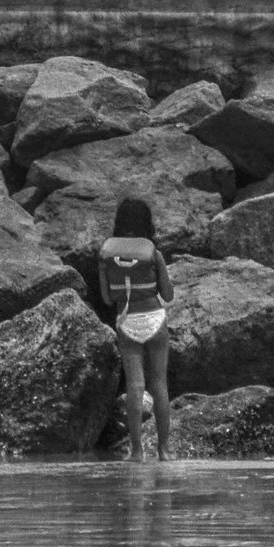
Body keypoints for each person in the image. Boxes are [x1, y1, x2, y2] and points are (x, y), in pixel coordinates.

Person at [98, 196, 173, 462]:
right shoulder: (154, 253)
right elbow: (168, 294)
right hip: (154, 319)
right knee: (159, 384)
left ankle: (137, 452)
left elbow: (107, 299)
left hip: (127, 322)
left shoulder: (107, 257)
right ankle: (164, 451)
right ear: (147, 224)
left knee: (135, 385)